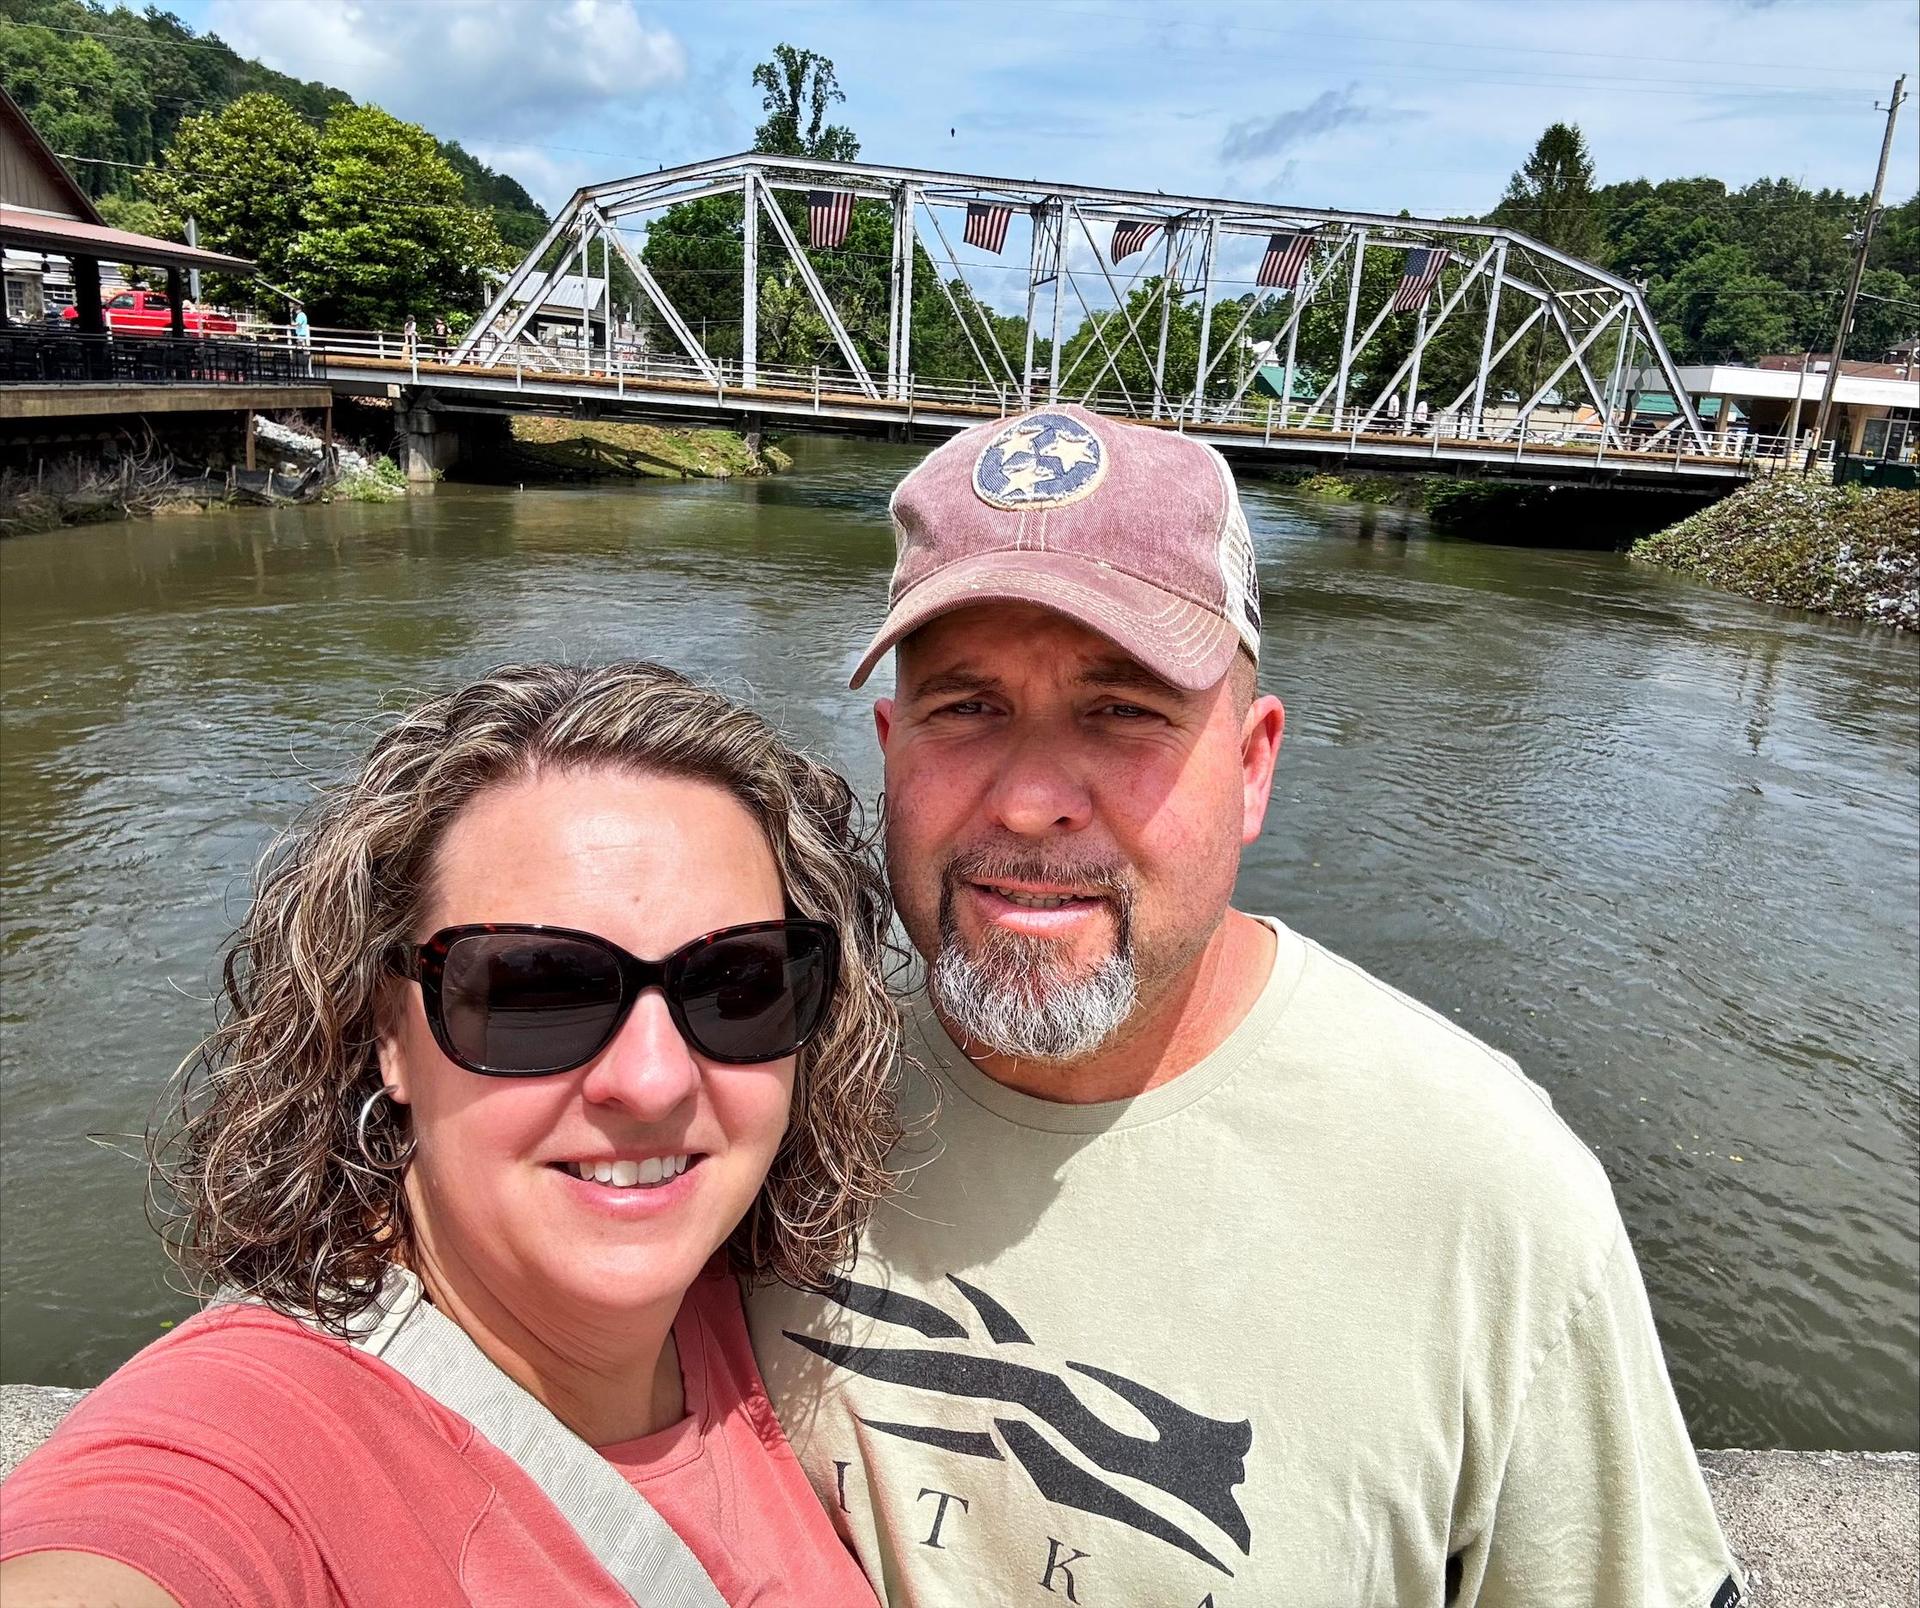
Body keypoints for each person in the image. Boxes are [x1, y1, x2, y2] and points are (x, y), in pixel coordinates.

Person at [749, 404, 1745, 1607]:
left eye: (1123, 711)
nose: (1028, 801)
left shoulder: (1492, 1195)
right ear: (890, 748)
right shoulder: (759, 1091)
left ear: (1255, 763)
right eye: (967, 708)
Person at [2, 662, 897, 1607]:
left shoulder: (741, 1304)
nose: (652, 1079)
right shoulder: (253, 1442)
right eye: (536, 991)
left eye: (740, 984)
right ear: (388, 1031)